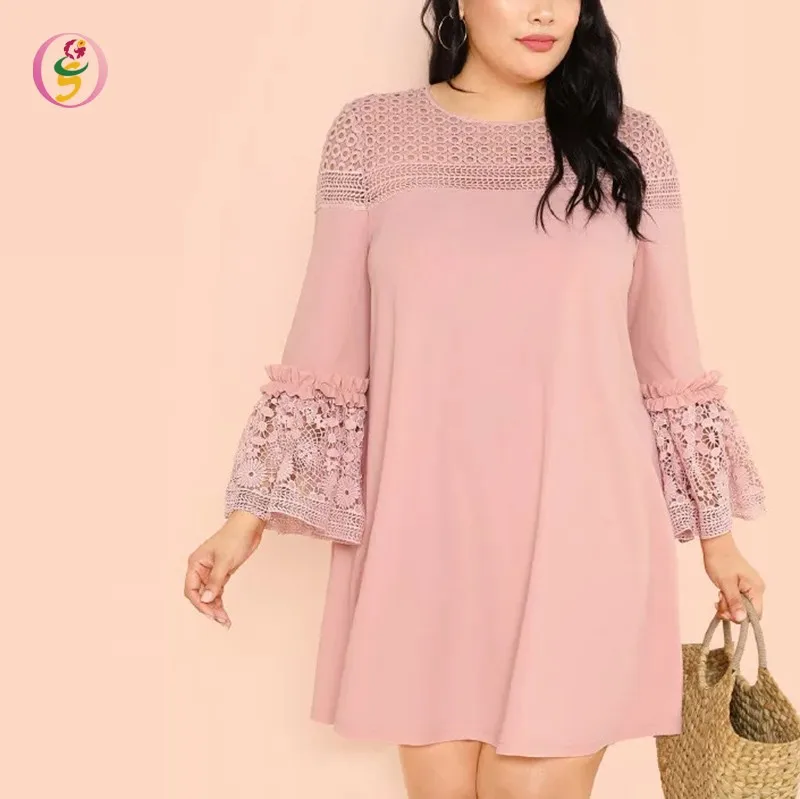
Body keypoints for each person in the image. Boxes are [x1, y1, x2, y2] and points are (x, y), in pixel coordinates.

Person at [183, 1, 769, 797]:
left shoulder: (630, 146)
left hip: (586, 537)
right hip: (423, 543)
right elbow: (323, 346)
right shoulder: (371, 137)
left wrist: (718, 542)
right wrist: (244, 520)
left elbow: (669, 358)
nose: (544, 11)